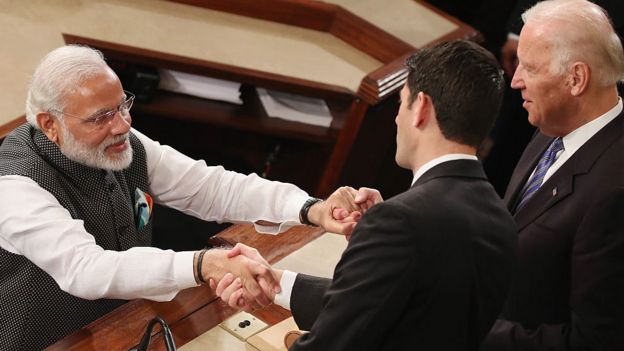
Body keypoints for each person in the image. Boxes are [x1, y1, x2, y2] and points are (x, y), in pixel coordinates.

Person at [0, 45, 376, 350]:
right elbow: (87, 269)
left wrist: (311, 209)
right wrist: (202, 265)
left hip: (127, 323)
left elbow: (210, 186)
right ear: (50, 124)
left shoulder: (123, 142)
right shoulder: (14, 185)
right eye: (101, 117)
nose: (123, 125)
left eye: (122, 105)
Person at [215, 39, 517, 350]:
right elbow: (413, 312)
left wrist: (383, 233)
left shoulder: (399, 222)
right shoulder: (500, 220)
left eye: (402, 102)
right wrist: (277, 283)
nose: (397, 118)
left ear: (421, 108)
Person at [480, 1, 624, 349]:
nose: (515, 81)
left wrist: (468, 328)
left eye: (529, 68)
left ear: (576, 79)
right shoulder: (553, 124)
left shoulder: (615, 193)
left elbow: (593, 341)